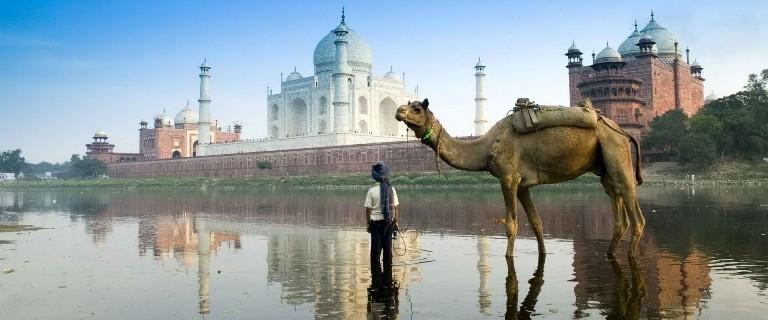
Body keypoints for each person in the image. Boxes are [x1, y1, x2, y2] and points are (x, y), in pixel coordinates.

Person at [364, 163, 400, 282]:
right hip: (388, 223)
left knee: (375, 250)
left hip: (375, 223)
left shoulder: (372, 191)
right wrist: (395, 222)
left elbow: (368, 209)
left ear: (375, 177)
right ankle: (387, 280)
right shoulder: (392, 189)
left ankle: (376, 279)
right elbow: (395, 208)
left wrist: (368, 224)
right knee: (387, 249)